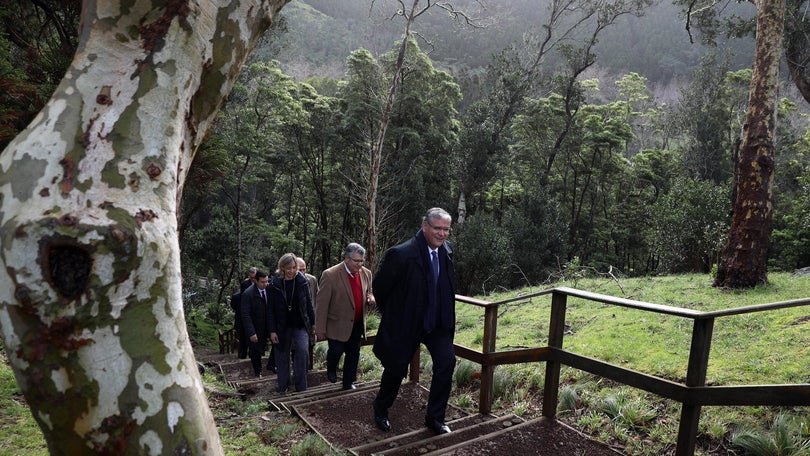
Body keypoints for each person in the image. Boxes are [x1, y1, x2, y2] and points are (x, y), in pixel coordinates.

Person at [371, 208, 456, 435]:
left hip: (437, 324)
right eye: (437, 228)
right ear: (424, 225)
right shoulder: (401, 254)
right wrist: (396, 314)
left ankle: (435, 418)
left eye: (446, 229)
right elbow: (380, 288)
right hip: (406, 324)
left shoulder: (446, 252)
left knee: (446, 364)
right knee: (396, 369)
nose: (442, 234)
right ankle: (381, 408)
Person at [315, 243, 375, 390]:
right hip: (337, 323)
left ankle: (348, 383)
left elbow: (369, 291)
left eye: (362, 261)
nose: (360, 264)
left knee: (353, 354)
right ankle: (331, 367)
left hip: (357, 322)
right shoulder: (330, 274)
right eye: (356, 261)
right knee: (336, 350)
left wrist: (371, 298)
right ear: (346, 259)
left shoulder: (366, 273)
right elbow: (321, 305)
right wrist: (320, 329)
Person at [267, 253, 316, 392]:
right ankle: (284, 386)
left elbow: (308, 304)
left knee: (302, 350)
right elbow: (270, 310)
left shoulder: (302, 281)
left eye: (294, 267)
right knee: (282, 355)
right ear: (282, 268)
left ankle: (301, 387)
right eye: (288, 268)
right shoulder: (274, 285)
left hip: (300, 323)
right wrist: (272, 331)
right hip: (281, 325)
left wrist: (313, 323)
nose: (292, 271)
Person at [240, 270, 270, 377]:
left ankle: (271, 365)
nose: (265, 284)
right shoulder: (248, 294)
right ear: (256, 281)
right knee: (255, 350)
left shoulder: (270, 289)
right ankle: (258, 372)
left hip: (269, 324)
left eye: (267, 281)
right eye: (262, 282)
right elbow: (245, 314)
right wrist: (251, 332)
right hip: (255, 326)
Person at [297, 257, 319, 370]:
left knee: (310, 344)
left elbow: (317, 298)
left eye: (304, 270)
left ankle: (309, 369)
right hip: (298, 321)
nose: (302, 273)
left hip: (311, 318)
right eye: (299, 270)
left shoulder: (312, 280)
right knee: (299, 347)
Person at [231, 266, 258, 359]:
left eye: (254, 278)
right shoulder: (245, 285)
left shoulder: (261, 284)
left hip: (255, 317)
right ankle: (243, 356)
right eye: (251, 278)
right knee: (243, 339)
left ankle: (253, 355)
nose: (253, 279)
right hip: (243, 318)